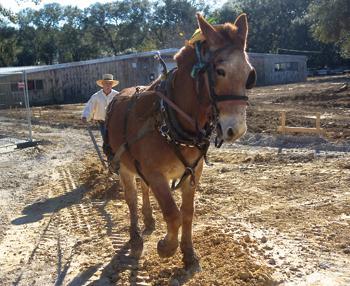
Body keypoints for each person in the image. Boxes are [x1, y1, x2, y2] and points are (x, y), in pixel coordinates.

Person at [81, 73, 119, 142]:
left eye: (110, 84)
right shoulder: (96, 96)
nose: (108, 85)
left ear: (112, 85)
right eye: (106, 83)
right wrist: (85, 116)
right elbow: (89, 107)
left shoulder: (117, 95)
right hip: (102, 122)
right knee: (106, 141)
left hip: (114, 122)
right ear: (102, 85)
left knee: (115, 141)